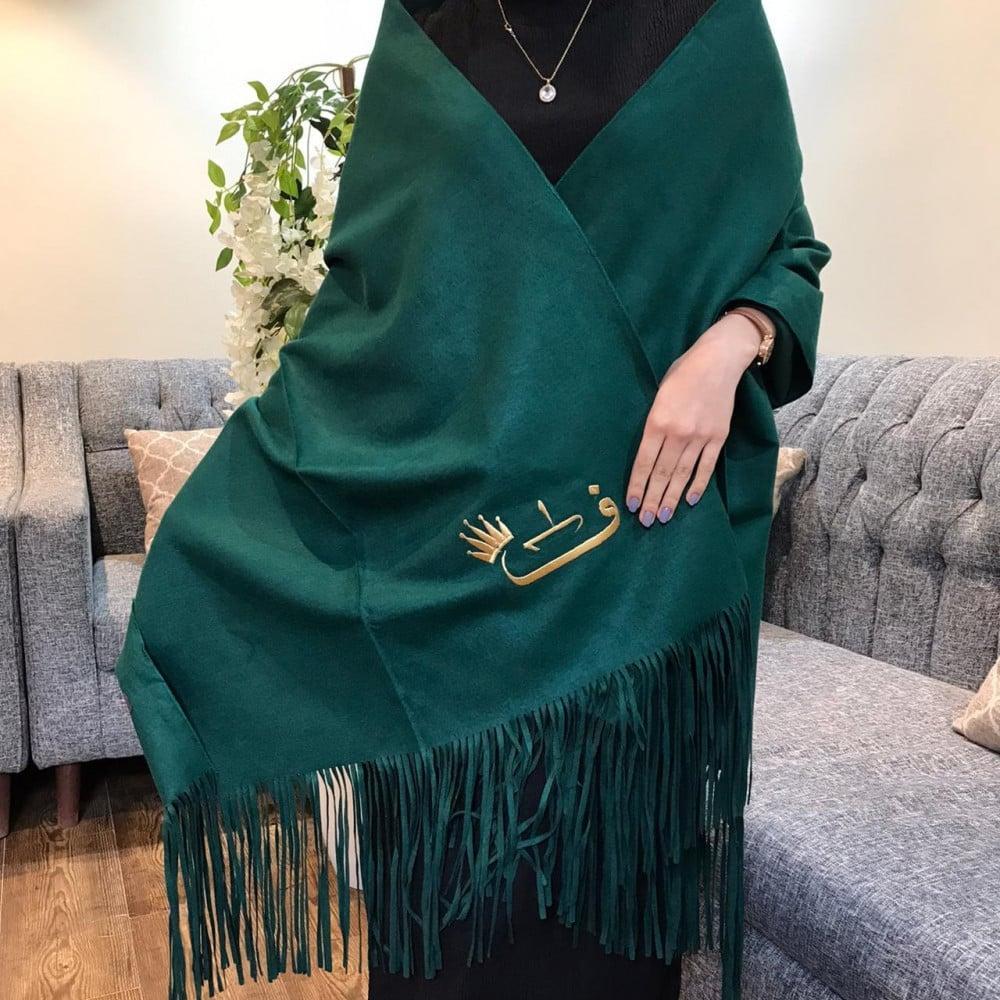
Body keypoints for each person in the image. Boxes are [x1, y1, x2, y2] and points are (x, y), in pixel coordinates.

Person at [114, 2, 831, 1000]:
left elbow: (790, 255)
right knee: (447, 920)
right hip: (453, 579)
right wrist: (244, 504)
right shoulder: (427, 24)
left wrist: (731, 342)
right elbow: (371, 297)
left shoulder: (707, 21)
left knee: (607, 926)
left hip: (637, 564)